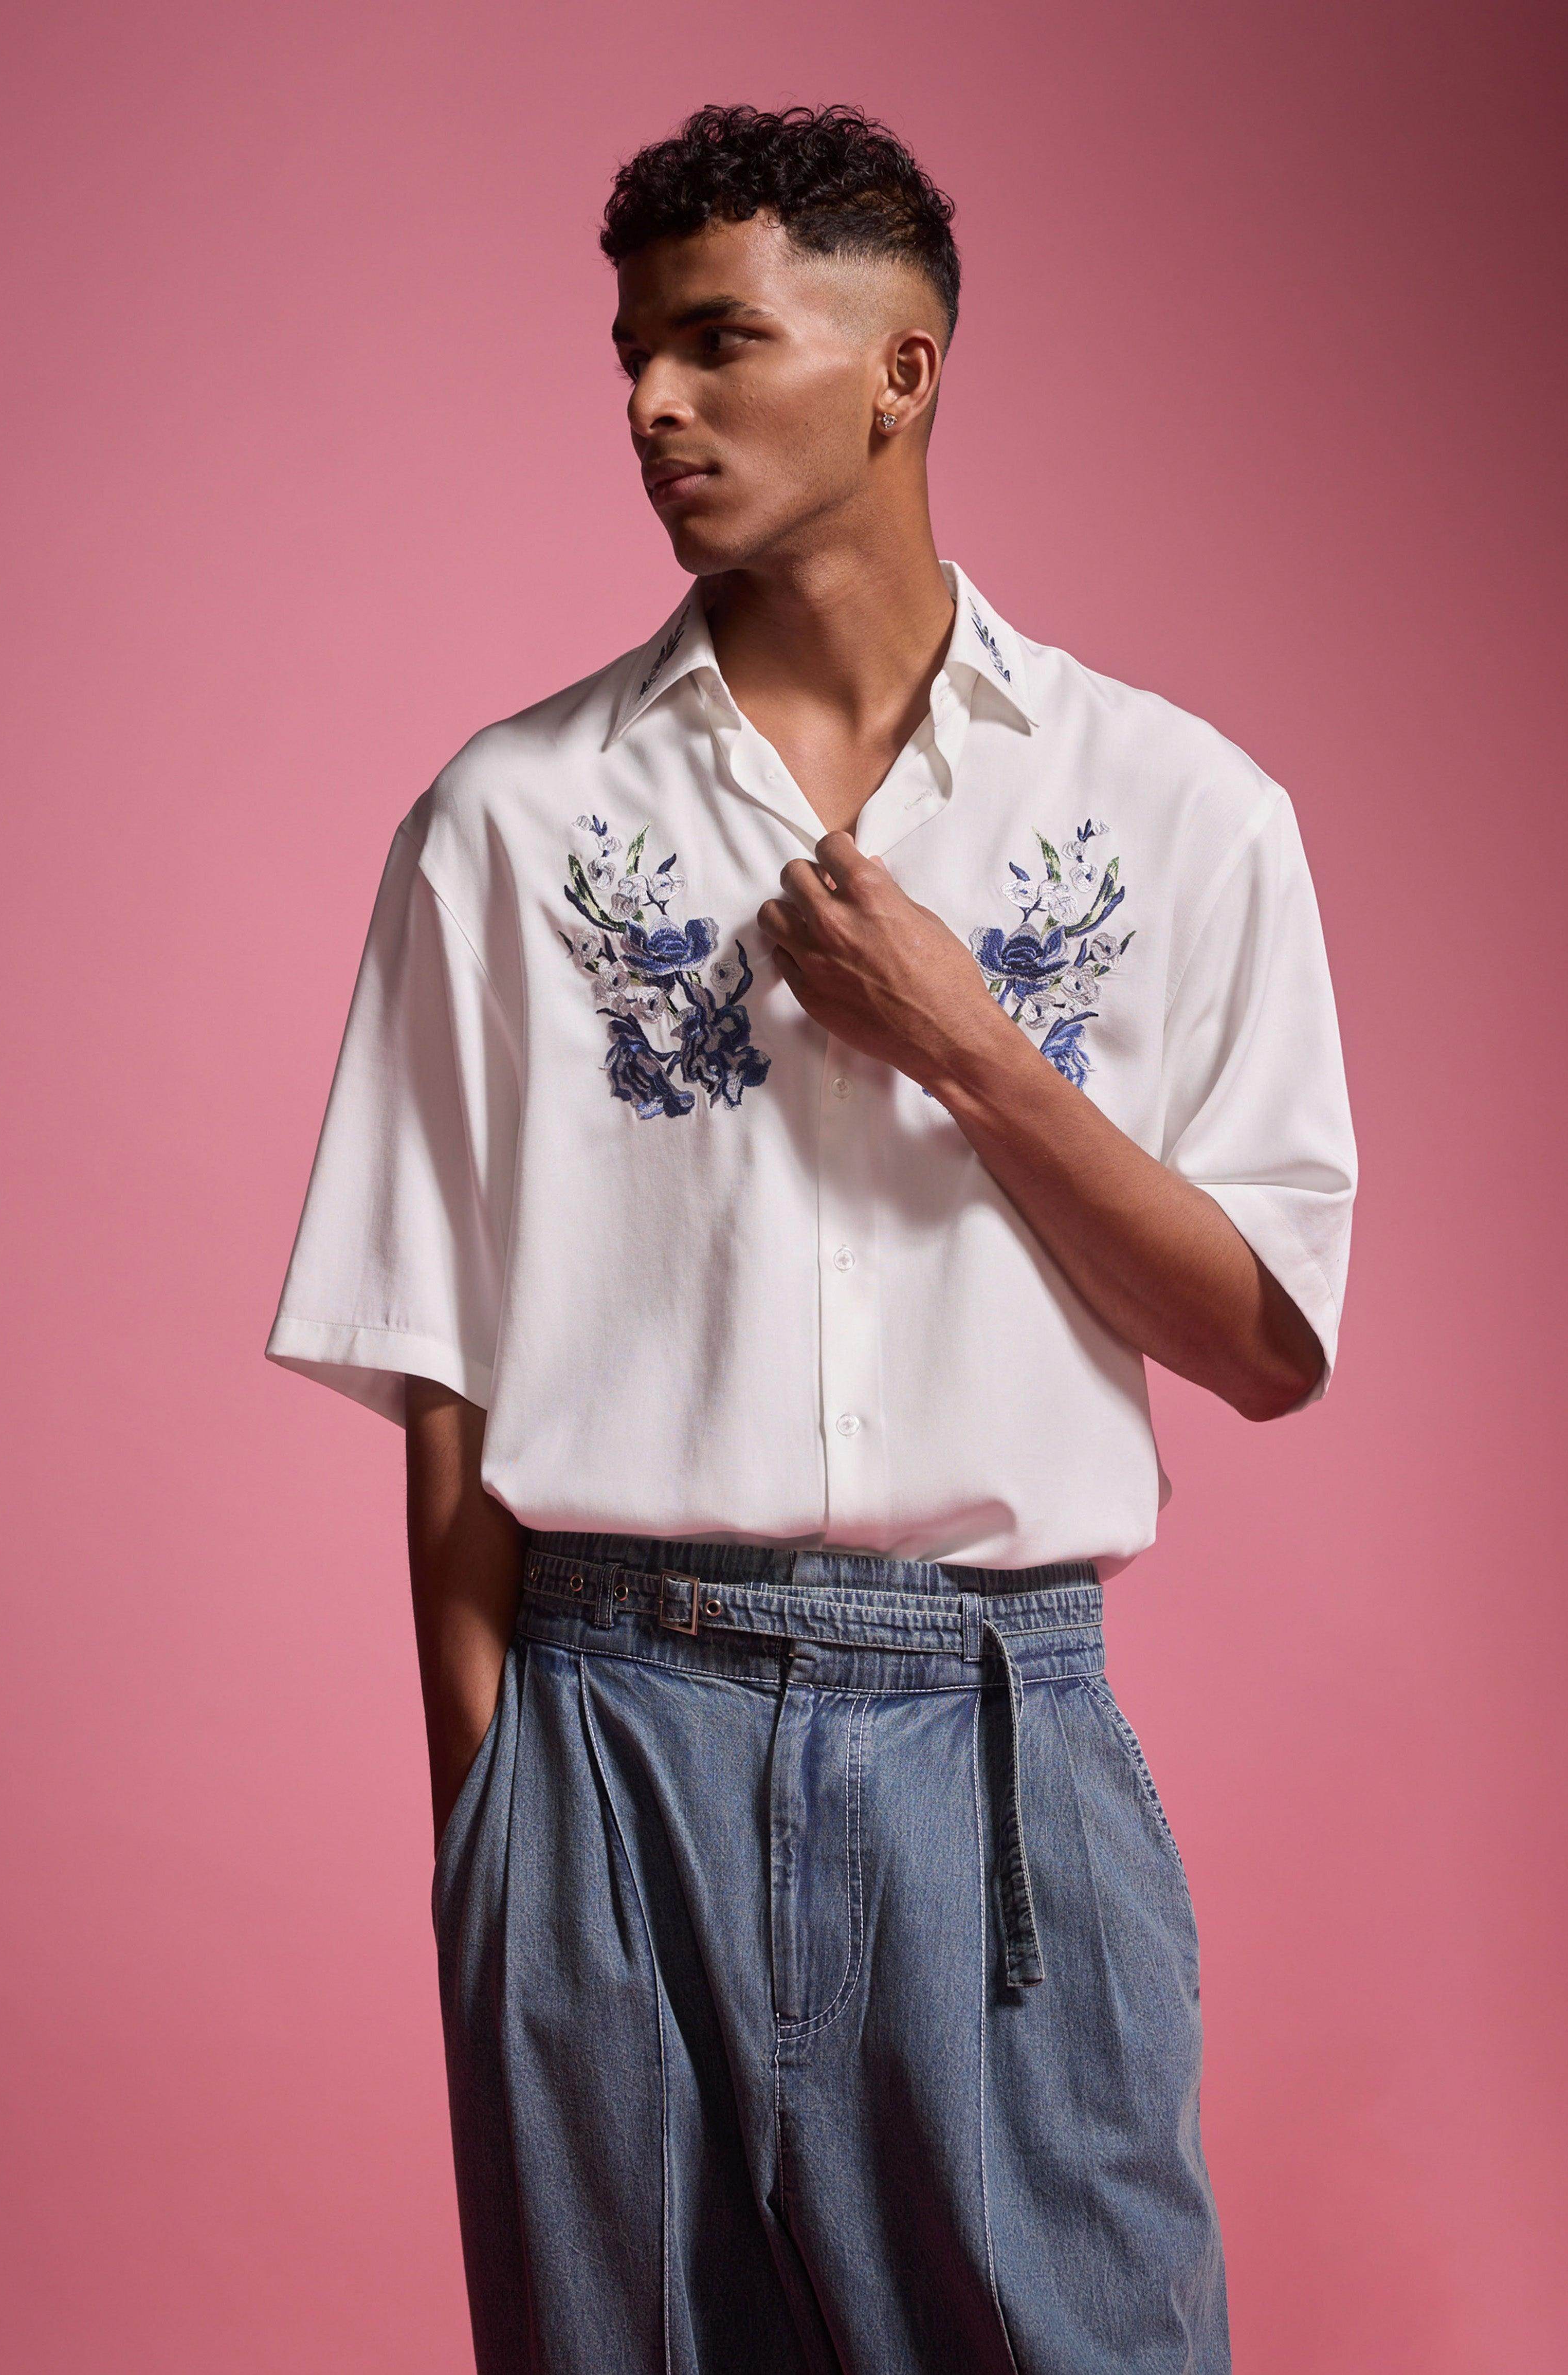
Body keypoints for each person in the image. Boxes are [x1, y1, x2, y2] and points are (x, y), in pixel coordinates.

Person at [266, 101, 1356, 2375]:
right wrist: (496, 1835)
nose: (650, 404)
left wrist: (972, 1049)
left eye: (716, 340)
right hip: (607, 1729)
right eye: (630, 354)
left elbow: (1263, 1341)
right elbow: (446, 1372)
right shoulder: (508, 819)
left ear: (900, 373)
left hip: (997, 1734)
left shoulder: (1176, 809)